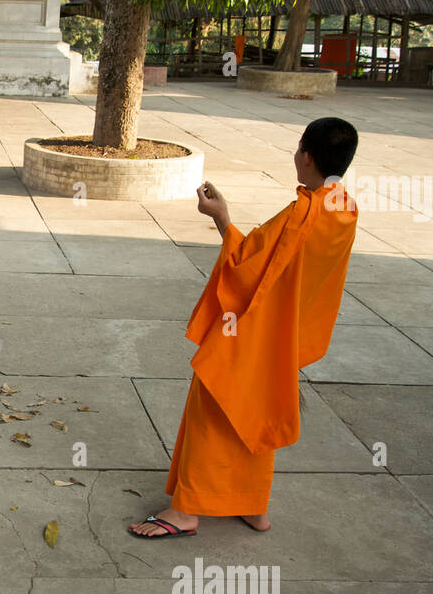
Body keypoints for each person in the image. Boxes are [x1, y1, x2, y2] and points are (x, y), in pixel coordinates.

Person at [129, 117, 360, 538]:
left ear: (306, 156)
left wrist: (221, 217)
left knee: (212, 404)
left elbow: (246, 265)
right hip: (284, 333)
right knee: (256, 413)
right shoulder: (344, 207)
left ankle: (186, 513)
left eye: (297, 148)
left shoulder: (303, 213)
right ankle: (253, 505)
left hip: (252, 329)